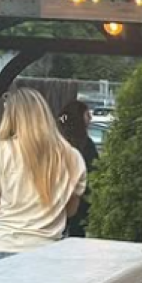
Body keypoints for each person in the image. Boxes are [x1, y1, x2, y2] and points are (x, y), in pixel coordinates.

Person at [0, 88, 87, 270]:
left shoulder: (1, 151)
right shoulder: (72, 157)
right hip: (46, 248)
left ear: (11, 117)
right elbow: (70, 210)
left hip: (2, 244)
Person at [58, 99, 99, 238]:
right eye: (87, 114)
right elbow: (94, 171)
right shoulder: (86, 145)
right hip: (80, 202)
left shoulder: (58, 142)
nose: (91, 118)